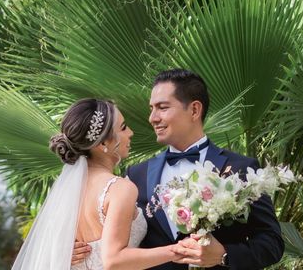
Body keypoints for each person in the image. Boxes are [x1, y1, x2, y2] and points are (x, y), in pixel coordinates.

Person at [74, 69, 285, 269]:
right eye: (151, 109)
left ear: (194, 110)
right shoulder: (135, 175)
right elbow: (114, 243)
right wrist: (71, 248)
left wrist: (224, 255)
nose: (152, 118)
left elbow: (272, 243)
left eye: (162, 107)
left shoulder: (241, 168)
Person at [12, 98, 189, 270]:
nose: (130, 133)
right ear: (103, 142)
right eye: (123, 127)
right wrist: (176, 251)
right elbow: (113, 260)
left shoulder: (67, 192)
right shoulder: (119, 188)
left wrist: (61, 253)